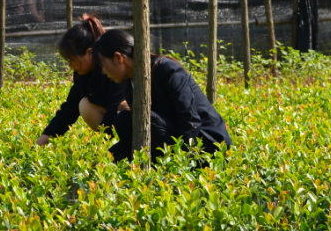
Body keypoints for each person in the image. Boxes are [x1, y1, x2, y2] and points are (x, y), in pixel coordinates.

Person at [93, 28, 230, 163]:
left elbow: (190, 120)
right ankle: (143, 170)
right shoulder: (131, 83)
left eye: (103, 65)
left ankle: (164, 169)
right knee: (123, 120)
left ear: (118, 58)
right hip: (177, 135)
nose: (104, 72)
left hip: (207, 144)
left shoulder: (166, 69)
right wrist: (109, 158)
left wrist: (185, 162)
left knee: (136, 118)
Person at [36, 14, 128, 146]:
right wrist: (40, 144)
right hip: (113, 122)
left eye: (72, 60)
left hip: (129, 120)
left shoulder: (112, 70)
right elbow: (68, 112)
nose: (70, 65)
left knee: (121, 109)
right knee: (84, 104)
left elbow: (115, 107)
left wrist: (104, 147)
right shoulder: (83, 75)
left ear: (89, 53)